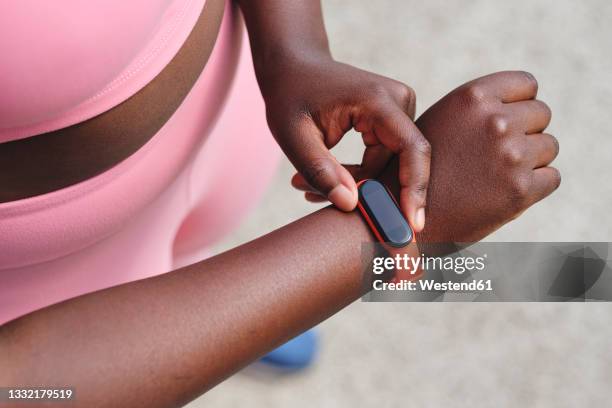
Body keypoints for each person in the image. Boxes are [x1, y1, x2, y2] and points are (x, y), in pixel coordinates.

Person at [0, 0, 560, 406]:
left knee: (198, 252)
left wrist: (294, 45)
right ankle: (224, 331)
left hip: (229, 115)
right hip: (50, 299)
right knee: (171, 331)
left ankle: (226, 303)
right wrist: (381, 238)